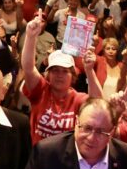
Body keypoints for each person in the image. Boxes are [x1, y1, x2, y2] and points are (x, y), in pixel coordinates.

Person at [21, 10, 102, 143]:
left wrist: (89, 70)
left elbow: (97, 103)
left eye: (65, 71)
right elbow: (28, 68)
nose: (60, 75)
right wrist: (30, 36)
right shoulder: (41, 90)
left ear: (73, 75)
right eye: (55, 70)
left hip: (66, 155)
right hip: (38, 154)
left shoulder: (77, 99)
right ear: (48, 74)